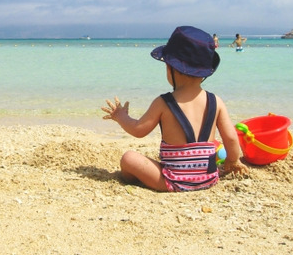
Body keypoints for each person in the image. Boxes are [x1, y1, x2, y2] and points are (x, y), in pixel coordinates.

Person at [101, 26, 249, 192]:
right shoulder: (216, 102)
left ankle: (137, 179)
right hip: (208, 178)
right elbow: (231, 139)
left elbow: (138, 130)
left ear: (172, 68)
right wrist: (232, 161)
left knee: (128, 159)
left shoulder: (163, 103)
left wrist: (120, 116)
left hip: (171, 181)